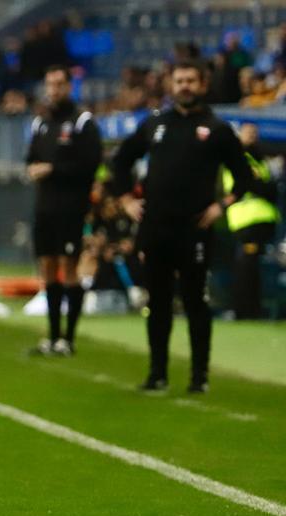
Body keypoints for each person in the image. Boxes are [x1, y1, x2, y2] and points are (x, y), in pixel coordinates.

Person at [109, 60, 254, 393]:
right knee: (157, 301)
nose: (184, 85)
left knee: (194, 302)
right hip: (156, 228)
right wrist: (126, 200)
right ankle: (157, 372)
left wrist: (221, 205)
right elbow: (121, 160)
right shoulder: (155, 123)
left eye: (191, 80)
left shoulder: (217, 129)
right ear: (170, 85)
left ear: (202, 84)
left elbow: (245, 177)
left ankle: (198, 376)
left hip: (194, 230)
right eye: (179, 80)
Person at [25, 65, 103, 356]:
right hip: (44, 206)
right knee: (47, 267)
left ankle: (68, 339)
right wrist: (33, 168)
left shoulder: (82, 122)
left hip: (71, 207)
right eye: (50, 84)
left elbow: (89, 165)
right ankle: (51, 335)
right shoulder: (40, 123)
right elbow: (31, 157)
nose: (54, 90)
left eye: (59, 84)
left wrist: (53, 169)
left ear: (69, 86)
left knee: (69, 266)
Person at [222, 123, 280, 319]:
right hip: (247, 218)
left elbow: (269, 187)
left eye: (255, 133)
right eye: (248, 133)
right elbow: (255, 186)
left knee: (251, 265)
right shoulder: (239, 158)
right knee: (246, 265)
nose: (253, 137)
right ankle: (245, 309)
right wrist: (265, 188)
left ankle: (250, 307)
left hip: (260, 218)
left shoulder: (258, 159)